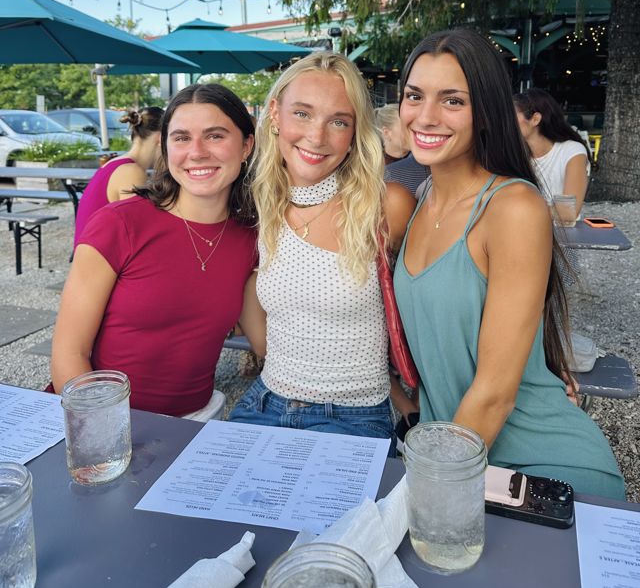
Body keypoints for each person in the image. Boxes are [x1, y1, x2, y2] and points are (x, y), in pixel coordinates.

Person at [393, 28, 624, 498]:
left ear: (486, 111)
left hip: (538, 462)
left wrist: (431, 488)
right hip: (451, 451)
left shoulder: (513, 207)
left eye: (452, 101)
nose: (426, 115)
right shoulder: (416, 200)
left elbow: (496, 392)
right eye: (415, 96)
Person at [230, 52, 417, 444]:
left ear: (354, 134)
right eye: (302, 113)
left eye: (338, 121)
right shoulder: (261, 202)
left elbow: (431, 310)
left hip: (353, 415)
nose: (317, 137)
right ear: (275, 114)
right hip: (264, 401)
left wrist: (409, 403)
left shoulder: (386, 206)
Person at [50, 84, 256, 419]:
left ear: (246, 145)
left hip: (195, 422)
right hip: (97, 421)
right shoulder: (119, 225)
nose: (197, 152)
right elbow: (69, 355)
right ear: (165, 148)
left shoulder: (251, 236)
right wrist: (107, 434)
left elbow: (264, 336)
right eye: (181, 138)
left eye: (215, 136)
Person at [73, 106, 164, 248]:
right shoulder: (130, 172)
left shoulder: (116, 164)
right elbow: (140, 232)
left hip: (90, 253)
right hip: (101, 258)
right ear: (160, 139)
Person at [514, 88, 592, 215]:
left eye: (511, 117)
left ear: (535, 119)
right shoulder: (514, 155)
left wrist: (518, 211)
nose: (505, 123)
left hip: (560, 227)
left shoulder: (572, 151)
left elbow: (569, 211)